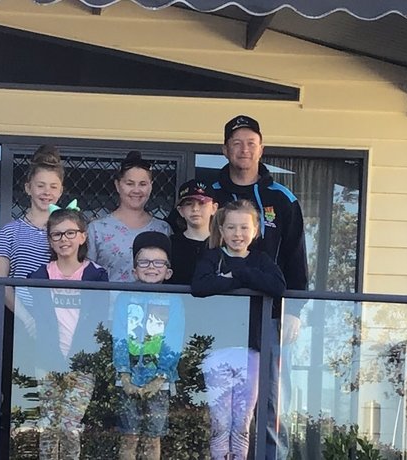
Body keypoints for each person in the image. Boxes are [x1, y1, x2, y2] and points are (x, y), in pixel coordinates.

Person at [212, 115, 308, 458]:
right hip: (216, 316)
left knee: (270, 398)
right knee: (219, 403)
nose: (244, 149)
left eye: (251, 143)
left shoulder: (281, 198)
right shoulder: (208, 194)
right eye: (236, 143)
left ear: (261, 148)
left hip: (268, 316)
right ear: (225, 149)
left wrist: (294, 311)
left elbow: (297, 257)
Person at [191, 199, 286, 460]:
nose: (237, 234)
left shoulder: (261, 260)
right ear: (221, 230)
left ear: (255, 231)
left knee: (242, 421)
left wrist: (236, 277)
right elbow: (199, 286)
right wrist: (236, 279)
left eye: (244, 228)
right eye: (231, 228)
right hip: (218, 350)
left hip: (250, 351)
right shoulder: (212, 257)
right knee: (220, 420)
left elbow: (278, 286)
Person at [26, 206, 109, 460]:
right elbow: (38, 319)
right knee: (49, 424)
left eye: (70, 233)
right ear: (49, 240)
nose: (64, 240)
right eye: (57, 234)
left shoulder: (97, 275)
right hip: (47, 360)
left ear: (83, 236)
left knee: (71, 425)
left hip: (81, 362)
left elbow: (98, 321)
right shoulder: (40, 276)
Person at [112, 231, 184, 460]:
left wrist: (161, 376)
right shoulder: (125, 298)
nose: (151, 267)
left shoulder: (175, 300)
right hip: (128, 378)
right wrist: (123, 374)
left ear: (168, 271)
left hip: (159, 382)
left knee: (154, 436)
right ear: (134, 269)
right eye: (143, 262)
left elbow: (174, 340)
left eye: (158, 262)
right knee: (129, 435)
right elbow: (119, 336)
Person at [0, 144, 65, 307]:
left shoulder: (67, 232)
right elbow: (0, 282)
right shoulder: (10, 231)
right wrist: (25, 318)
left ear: (60, 191)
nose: (47, 192)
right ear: (28, 188)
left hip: (60, 317)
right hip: (17, 319)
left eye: (53, 187)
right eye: (40, 186)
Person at [88, 151, 171, 282]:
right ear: (117, 185)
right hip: (107, 302)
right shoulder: (97, 229)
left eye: (143, 184)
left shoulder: (163, 228)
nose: (136, 190)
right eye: (130, 184)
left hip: (151, 302)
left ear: (150, 186)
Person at [168, 179, 218, 285]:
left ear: (214, 208)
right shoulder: (170, 245)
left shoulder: (223, 243)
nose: (195, 209)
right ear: (180, 211)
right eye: (189, 204)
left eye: (201, 203)